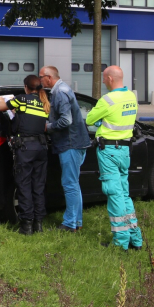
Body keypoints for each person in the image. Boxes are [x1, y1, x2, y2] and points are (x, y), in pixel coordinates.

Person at [85, 65, 143, 251]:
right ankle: (136, 238)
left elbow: (89, 119)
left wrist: (101, 121)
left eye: (103, 78)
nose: (102, 81)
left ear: (110, 78)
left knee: (114, 193)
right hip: (125, 150)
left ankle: (120, 241)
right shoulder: (131, 97)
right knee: (124, 194)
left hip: (109, 151)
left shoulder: (107, 100)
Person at [39, 66, 92, 233]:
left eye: (41, 77)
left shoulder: (60, 92)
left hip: (70, 144)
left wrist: (47, 127)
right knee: (74, 183)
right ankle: (77, 221)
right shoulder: (63, 89)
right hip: (76, 142)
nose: (40, 80)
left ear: (48, 77)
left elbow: (66, 120)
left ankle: (69, 224)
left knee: (69, 184)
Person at [0, 75, 50, 235]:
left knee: (24, 185)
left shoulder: (21, 99)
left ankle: (26, 224)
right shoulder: (44, 102)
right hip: (41, 147)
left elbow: (0, 107)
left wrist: (1, 99)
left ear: (26, 86)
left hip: (25, 148)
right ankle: (38, 224)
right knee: (38, 186)